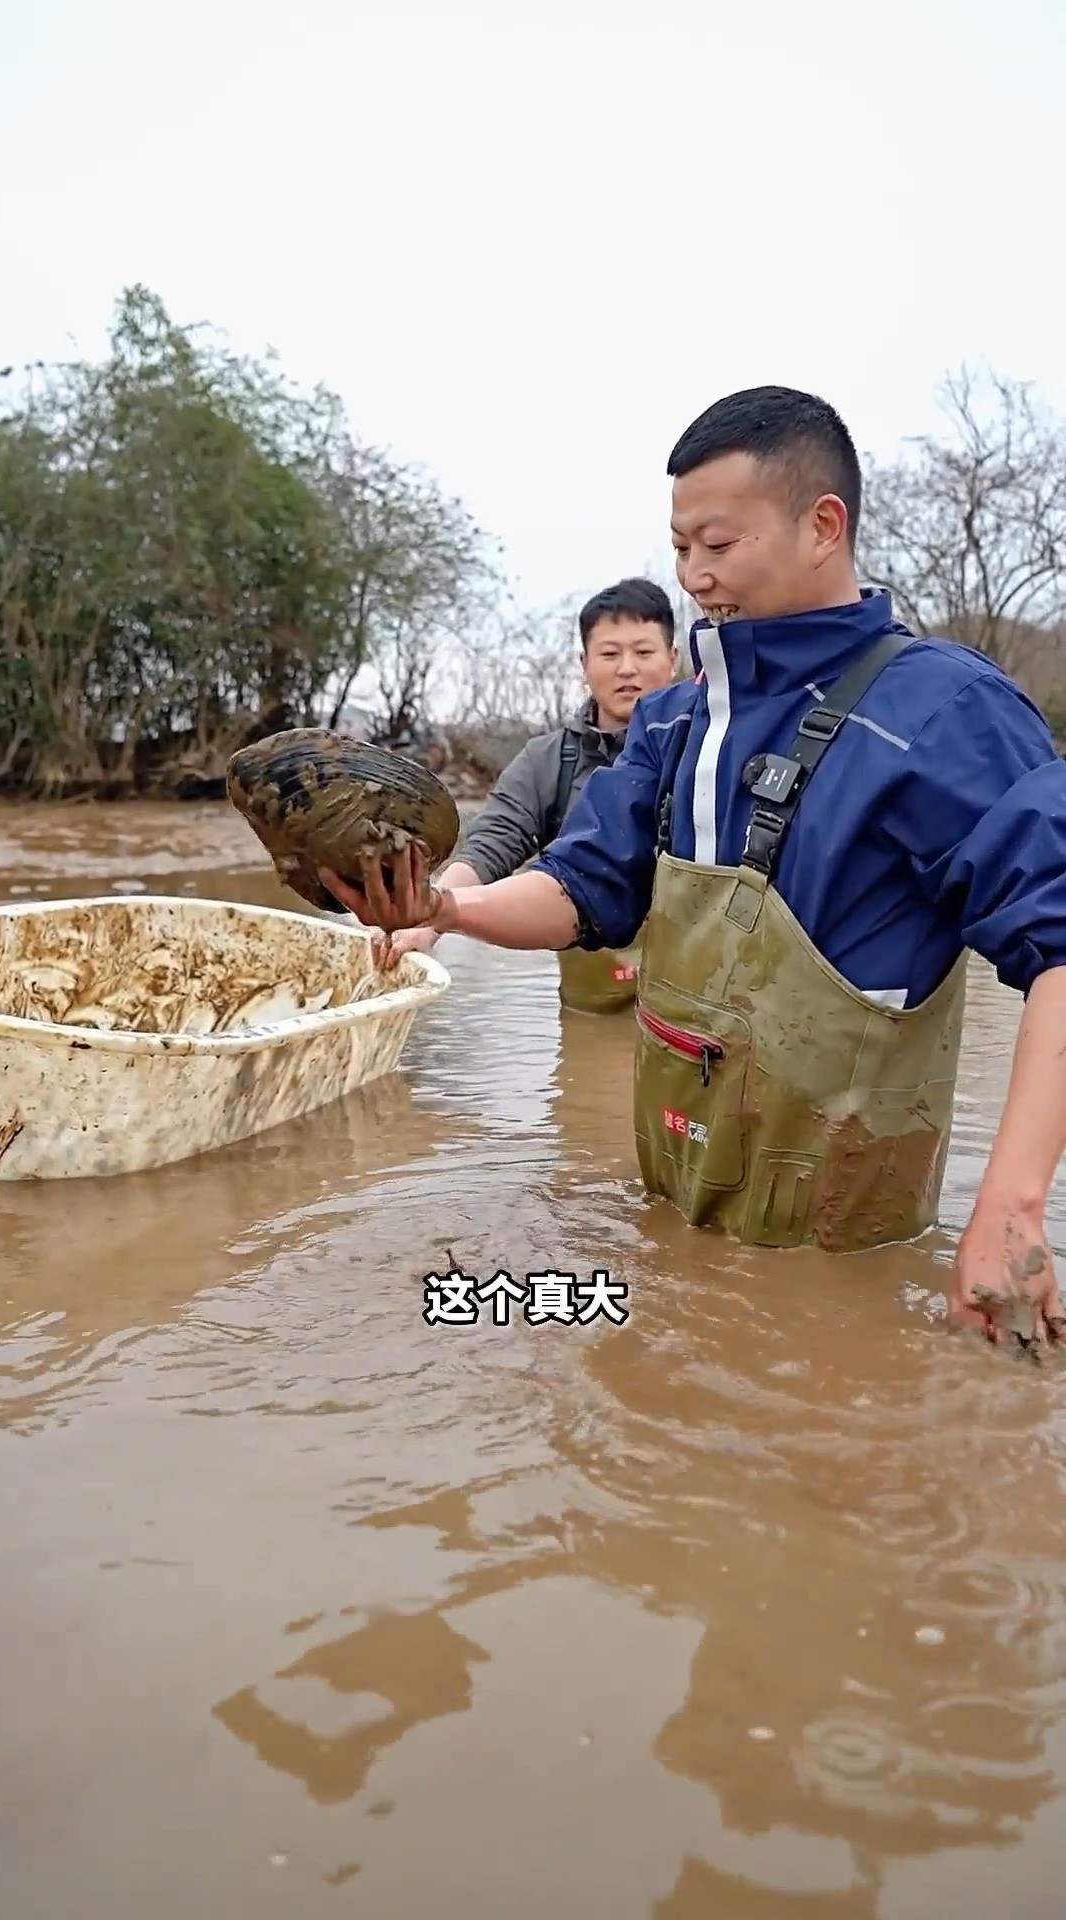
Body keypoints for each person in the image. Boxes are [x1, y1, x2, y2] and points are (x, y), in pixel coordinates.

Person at [319, 384, 1066, 1347]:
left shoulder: (947, 712)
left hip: (841, 1237)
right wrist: (447, 910)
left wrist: (1009, 1207)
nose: (693, 575)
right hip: (676, 1194)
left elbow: (1056, 952)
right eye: (679, 549)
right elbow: (582, 885)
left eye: (718, 545)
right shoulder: (677, 720)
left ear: (823, 525)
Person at [380, 577, 678, 1014]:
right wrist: (427, 919)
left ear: (672, 659)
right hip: (595, 1000)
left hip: (693, 1007)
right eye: (610, 654)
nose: (627, 668)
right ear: (584, 662)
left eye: (644, 652)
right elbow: (494, 839)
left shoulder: (706, 746)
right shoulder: (547, 761)